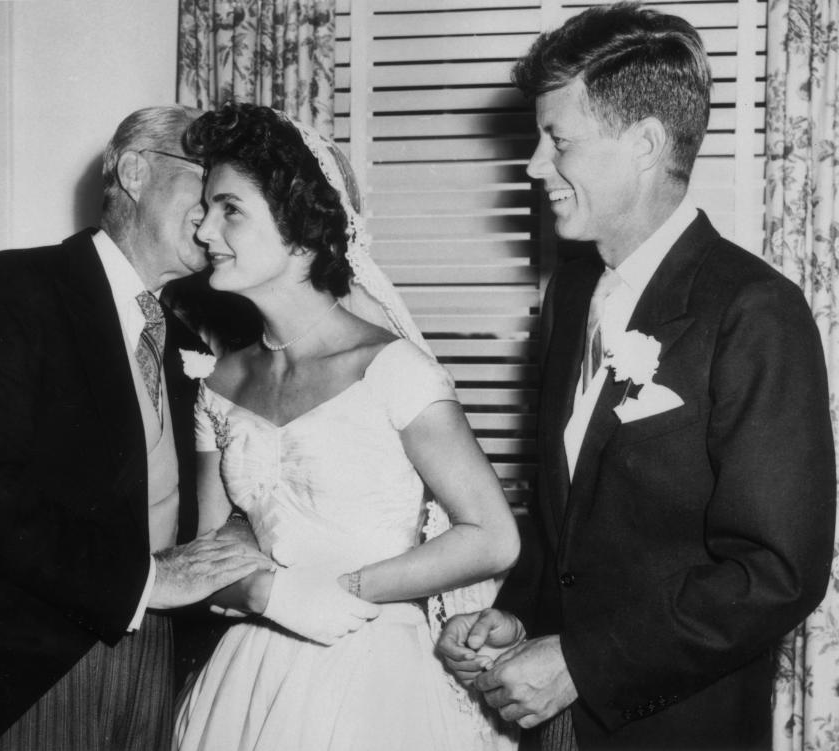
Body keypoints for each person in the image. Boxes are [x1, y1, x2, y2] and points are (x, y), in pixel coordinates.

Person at [437, 4, 837, 750]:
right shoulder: (566, 294)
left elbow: (777, 570)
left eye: (557, 141)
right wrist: (519, 611)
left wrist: (582, 663)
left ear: (646, 143)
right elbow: (573, 516)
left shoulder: (755, 312)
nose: (532, 165)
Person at [0, 104, 272, 750]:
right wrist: (151, 580)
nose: (217, 213)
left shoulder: (179, 338)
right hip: (21, 675)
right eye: (206, 182)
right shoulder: (12, 287)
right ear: (137, 171)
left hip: (153, 665)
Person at [169, 103, 521, 751]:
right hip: (251, 674)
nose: (205, 231)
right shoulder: (220, 381)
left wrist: (344, 588)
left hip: (377, 676)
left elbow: (492, 537)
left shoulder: (390, 369)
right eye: (206, 208)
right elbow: (209, 545)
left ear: (300, 228)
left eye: (230, 209)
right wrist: (266, 594)